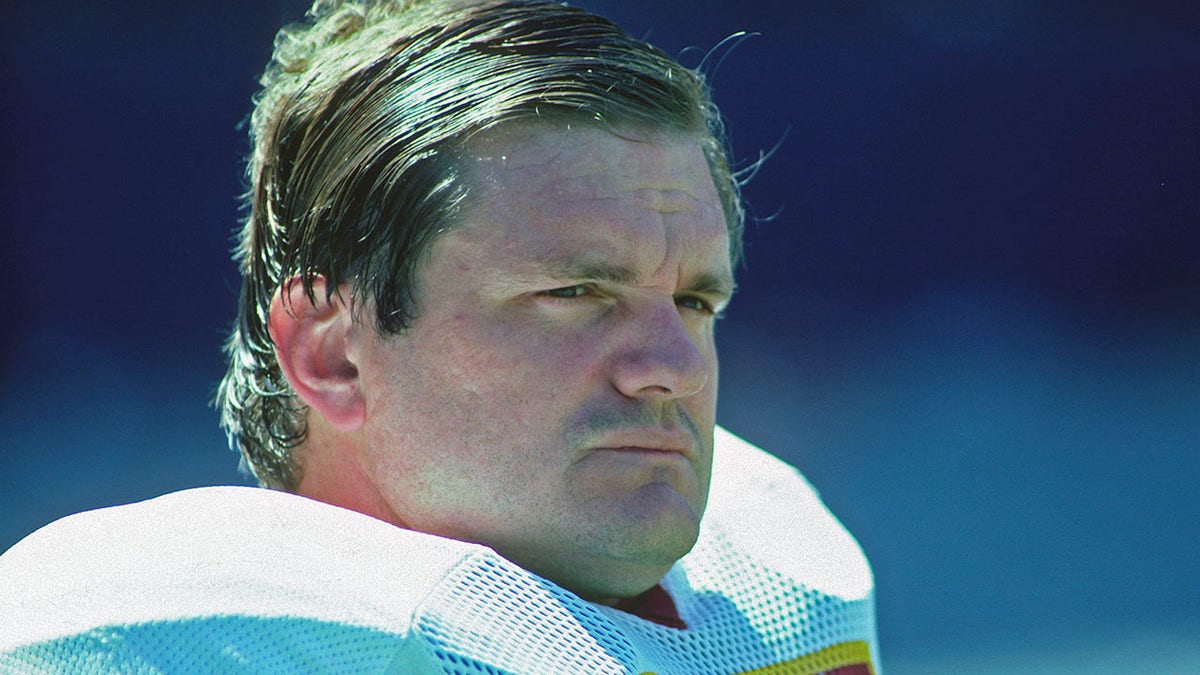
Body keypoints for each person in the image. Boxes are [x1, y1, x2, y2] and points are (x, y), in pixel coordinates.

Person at [0, 1, 879, 672]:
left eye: (693, 301)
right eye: (575, 291)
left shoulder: (788, 585)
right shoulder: (163, 627)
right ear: (332, 355)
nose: (674, 368)